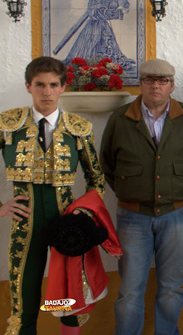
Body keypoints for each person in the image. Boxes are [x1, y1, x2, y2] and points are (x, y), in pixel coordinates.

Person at [0, 56, 105, 335]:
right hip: (25, 223)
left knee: (68, 295)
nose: (46, 91)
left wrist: (84, 212)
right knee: (25, 295)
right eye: (40, 84)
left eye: (53, 85)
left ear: (63, 88)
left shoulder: (78, 128)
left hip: (67, 223)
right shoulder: (8, 123)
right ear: (28, 86)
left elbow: (97, 180)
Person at [100, 58, 183, 335]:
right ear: (140, 84)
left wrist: (180, 191)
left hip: (178, 215)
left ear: (172, 85)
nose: (155, 85)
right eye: (149, 79)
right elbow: (107, 165)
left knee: (172, 288)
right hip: (133, 217)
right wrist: (130, 193)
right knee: (130, 290)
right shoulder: (120, 119)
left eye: (162, 81)